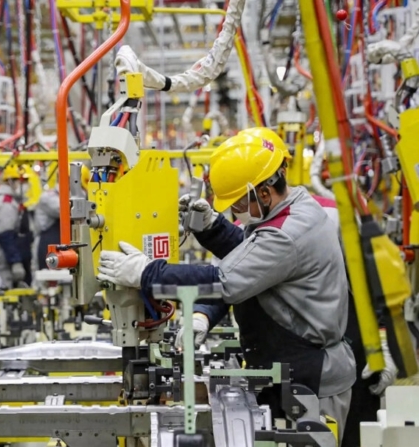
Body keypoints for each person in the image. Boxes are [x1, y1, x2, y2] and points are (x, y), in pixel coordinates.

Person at [96, 134, 356, 438]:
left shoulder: (287, 234)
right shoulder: (293, 208)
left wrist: (147, 273)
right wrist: (212, 229)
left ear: (263, 192)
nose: (234, 213)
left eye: (238, 204)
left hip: (311, 381)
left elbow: (226, 281)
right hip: (288, 368)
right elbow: (252, 256)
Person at [239, 127, 387, 446]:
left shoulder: (333, 216)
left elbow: (380, 286)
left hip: (350, 351)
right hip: (304, 361)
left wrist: (384, 350)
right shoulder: (253, 222)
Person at [34, 165, 90, 271]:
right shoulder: (48, 197)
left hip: (68, 248)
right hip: (49, 247)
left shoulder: (72, 197)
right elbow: (65, 210)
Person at [0, 165, 33, 287]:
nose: (25, 185)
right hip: (7, 257)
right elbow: (5, 235)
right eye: (22, 181)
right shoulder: (6, 203)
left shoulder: (13, 201)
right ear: (10, 181)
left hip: (13, 254)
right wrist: (15, 262)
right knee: (11, 294)